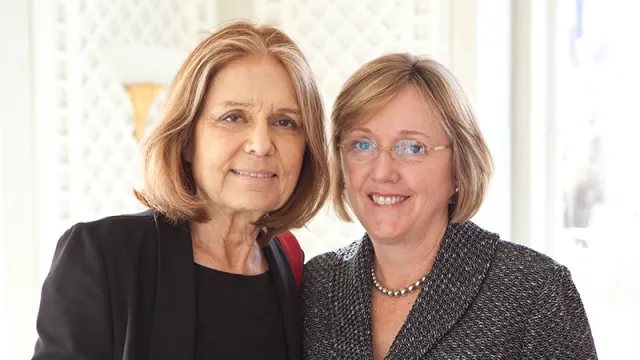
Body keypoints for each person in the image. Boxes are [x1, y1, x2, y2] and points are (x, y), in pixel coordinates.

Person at [33, 20, 329, 360]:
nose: (261, 144)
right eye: (233, 117)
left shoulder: (291, 263)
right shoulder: (103, 255)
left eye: (285, 122)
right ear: (187, 139)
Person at [302, 53, 597, 359]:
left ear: (459, 163)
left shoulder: (534, 292)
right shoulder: (318, 284)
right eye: (363, 144)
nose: (382, 172)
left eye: (413, 148)